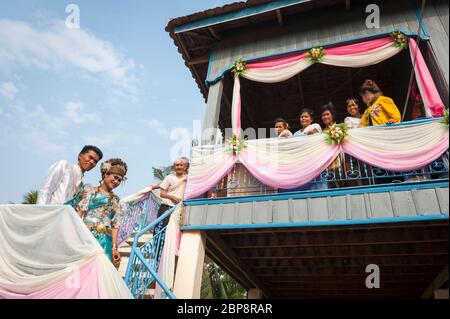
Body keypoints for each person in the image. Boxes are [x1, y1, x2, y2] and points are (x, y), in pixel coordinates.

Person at [66, 158, 127, 267]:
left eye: (119, 180)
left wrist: (114, 248)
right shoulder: (89, 191)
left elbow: (115, 226)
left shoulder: (119, 202)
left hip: (105, 242)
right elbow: (79, 213)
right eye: (115, 177)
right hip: (85, 237)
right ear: (106, 175)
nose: (116, 182)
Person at [37, 145, 103, 205]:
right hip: (51, 212)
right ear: (80, 155)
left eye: (95, 161)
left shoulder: (82, 186)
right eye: (90, 157)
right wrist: (42, 212)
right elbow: (46, 189)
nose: (92, 162)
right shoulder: (64, 166)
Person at [150, 157, 189, 227]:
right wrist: (174, 198)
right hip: (166, 206)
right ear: (174, 167)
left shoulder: (188, 178)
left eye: (181, 165)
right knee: (161, 228)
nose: (179, 167)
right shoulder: (169, 177)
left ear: (185, 167)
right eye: (177, 165)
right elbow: (162, 194)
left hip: (180, 207)